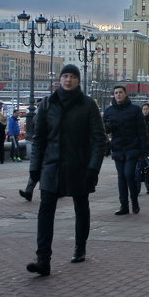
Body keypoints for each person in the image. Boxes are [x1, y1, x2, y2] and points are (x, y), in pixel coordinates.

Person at [25, 64, 106, 276]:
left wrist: (93, 168)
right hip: (52, 166)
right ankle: (43, 259)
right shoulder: (47, 104)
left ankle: (80, 246)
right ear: (60, 79)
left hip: (79, 165)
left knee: (81, 206)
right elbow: (38, 139)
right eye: (65, 76)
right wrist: (35, 169)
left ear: (78, 80)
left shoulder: (88, 105)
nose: (68, 80)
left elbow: (99, 140)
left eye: (72, 77)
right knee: (45, 211)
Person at [103, 85, 146, 215]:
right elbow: (105, 130)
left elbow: (142, 131)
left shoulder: (135, 110)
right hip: (117, 148)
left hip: (132, 147)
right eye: (116, 93)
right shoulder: (109, 111)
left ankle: (134, 201)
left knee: (129, 174)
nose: (118, 95)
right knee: (121, 177)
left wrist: (144, 150)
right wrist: (107, 127)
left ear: (125, 94)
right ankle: (124, 205)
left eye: (120, 92)